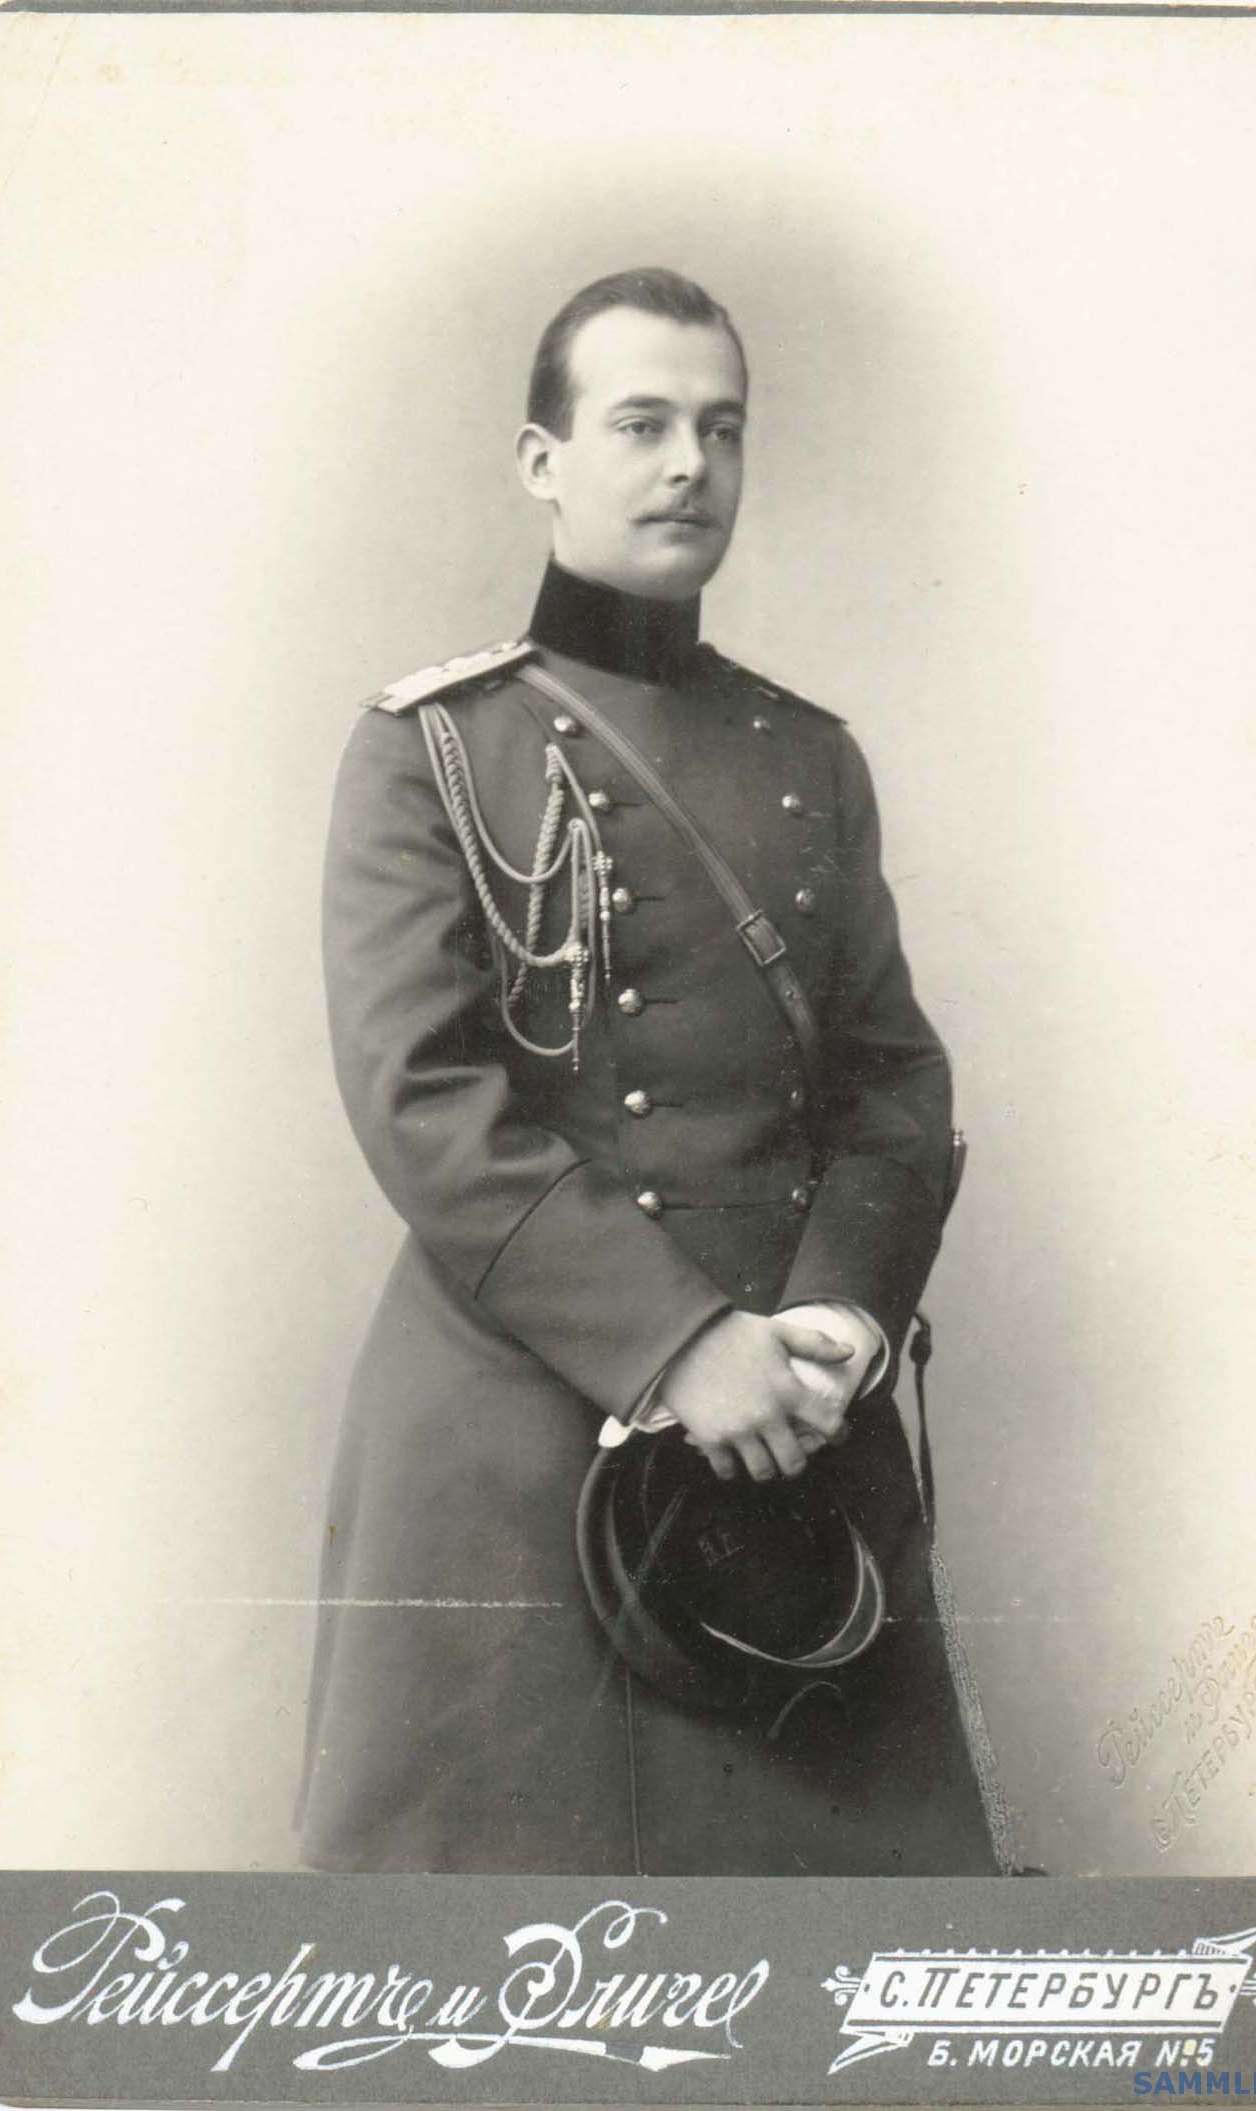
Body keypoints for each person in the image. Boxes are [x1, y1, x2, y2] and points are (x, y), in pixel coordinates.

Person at [295, 266, 1001, 1876]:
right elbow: (423, 1098)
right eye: (642, 425)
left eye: (721, 429)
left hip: (794, 1427)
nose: (691, 464)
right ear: (542, 462)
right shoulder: (430, 748)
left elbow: (892, 1081)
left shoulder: (809, 754)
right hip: (521, 1436)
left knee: (828, 1945)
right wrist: (677, 1346)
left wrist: (839, 1320)